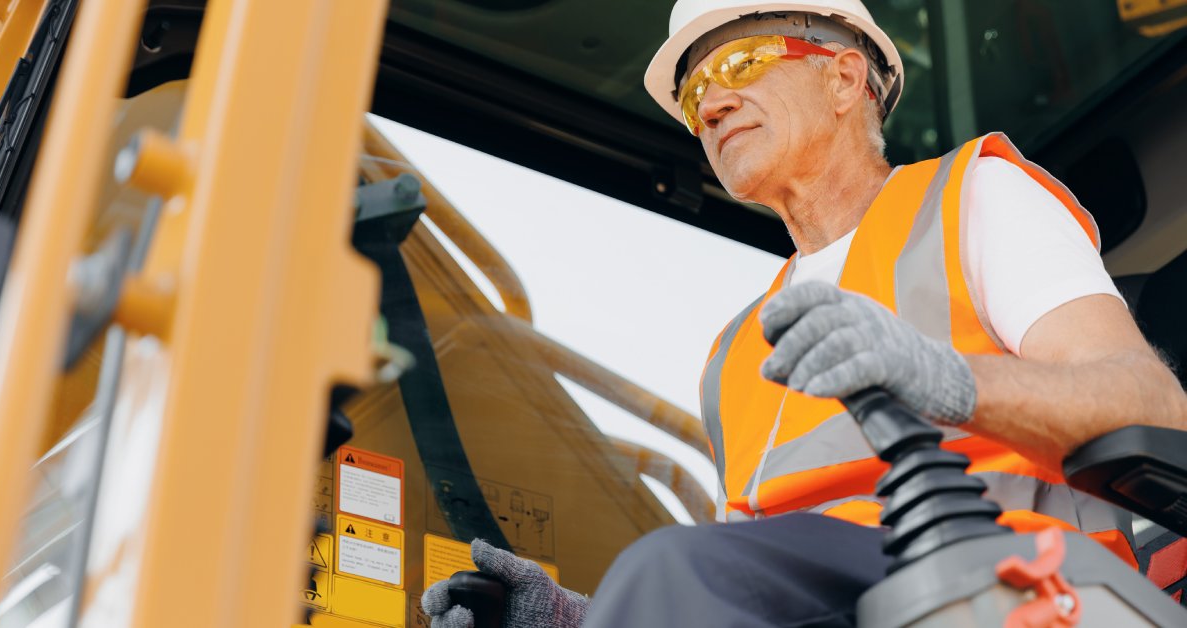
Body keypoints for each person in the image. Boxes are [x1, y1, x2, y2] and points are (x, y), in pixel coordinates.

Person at [422, 1, 1187, 626]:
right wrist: (577, 619)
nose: (711, 104)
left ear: (846, 77)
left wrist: (946, 379)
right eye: (693, 96)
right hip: (840, 603)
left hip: (1009, 584)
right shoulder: (735, 351)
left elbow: (1153, 408)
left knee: (668, 565)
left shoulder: (973, 199)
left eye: (740, 63)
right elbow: (753, 576)